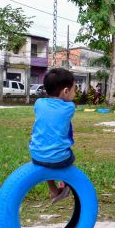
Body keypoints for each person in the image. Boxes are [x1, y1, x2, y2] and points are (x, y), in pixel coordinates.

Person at [29, 67, 77, 204]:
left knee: (47, 165)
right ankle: (64, 184)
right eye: (74, 89)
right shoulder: (70, 107)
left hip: (36, 155)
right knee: (69, 157)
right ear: (66, 91)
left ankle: (52, 189)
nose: (75, 93)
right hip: (59, 158)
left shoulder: (38, 103)